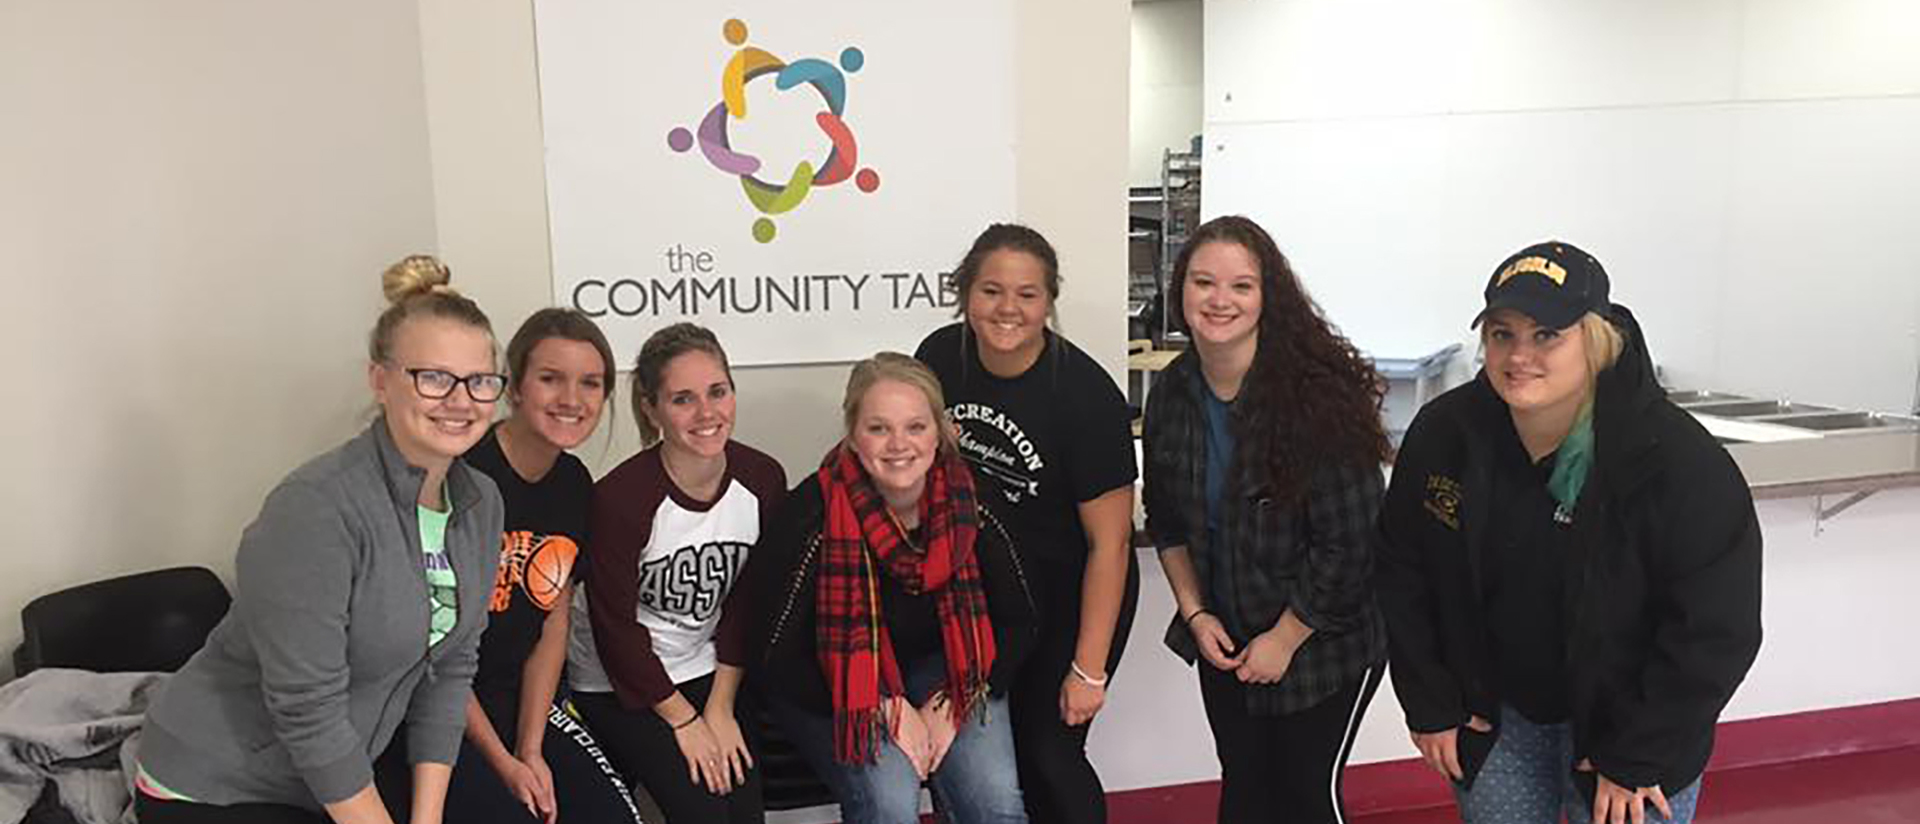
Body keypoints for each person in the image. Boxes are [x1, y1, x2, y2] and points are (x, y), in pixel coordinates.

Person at [1377, 241, 1763, 824]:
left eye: (1546, 336)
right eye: (1503, 334)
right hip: (1497, 723)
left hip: (1633, 734)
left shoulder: (1676, 462)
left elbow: (1716, 630)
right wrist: (1429, 701)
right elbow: (1402, 567)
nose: (1519, 356)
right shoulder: (1447, 435)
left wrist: (1637, 755)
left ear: (1595, 337)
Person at [134, 255, 506, 824]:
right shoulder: (316, 507)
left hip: (330, 774)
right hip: (217, 783)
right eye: (433, 377)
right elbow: (309, 710)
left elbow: (450, 670)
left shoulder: (480, 503)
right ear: (380, 380)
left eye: (479, 381)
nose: (460, 400)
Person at [1141, 216, 1390, 824]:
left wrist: (1284, 638)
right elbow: (1167, 521)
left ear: (1266, 297)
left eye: (1241, 286)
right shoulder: (1171, 393)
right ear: (1181, 292)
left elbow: (1352, 544)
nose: (1219, 300)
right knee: (1246, 795)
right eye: (1203, 282)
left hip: (1325, 641)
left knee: (1305, 798)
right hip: (1226, 636)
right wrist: (1196, 615)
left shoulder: (1317, 396)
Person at [740, 352, 1037, 824]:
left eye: (915, 427)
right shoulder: (812, 514)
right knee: (890, 801)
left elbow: (1020, 620)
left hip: (953, 670)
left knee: (994, 803)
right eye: (879, 428)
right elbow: (773, 654)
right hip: (831, 678)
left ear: (939, 433)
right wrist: (882, 708)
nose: (899, 444)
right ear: (853, 436)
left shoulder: (975, 501)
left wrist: (955, 703)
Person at [913, 224, 1137, 824]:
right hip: (987, 596)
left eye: (1027, 294)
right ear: (965, 293)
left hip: (1072, 592)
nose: (1007, 309)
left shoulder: (1086, 397)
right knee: (983, 757)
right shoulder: (938, 358)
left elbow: (1111, 544)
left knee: (1049, 752)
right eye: (991, 290)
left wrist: (1088, 668)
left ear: (1048, 301)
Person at [567, 322, 785, 824]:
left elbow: (747, 603)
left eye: (718, 392)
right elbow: (614, 629)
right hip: (616, 681)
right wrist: (683, 721)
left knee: (745, 812)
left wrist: (721, 708)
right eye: (683, 399)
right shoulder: (620, 499)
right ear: (652, 409)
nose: (707, 413)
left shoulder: (762, 479)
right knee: (703, 811)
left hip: (707, 669)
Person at [433, 308, 646, 823]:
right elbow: (433, 643)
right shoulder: (458, 475)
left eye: (590, 383)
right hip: (439, 708)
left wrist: (530, 749)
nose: (572, 399)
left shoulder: (574, 486)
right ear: (516, 387)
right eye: (551, 379)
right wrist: (503, 762)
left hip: (522, 701)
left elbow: (552, 620)